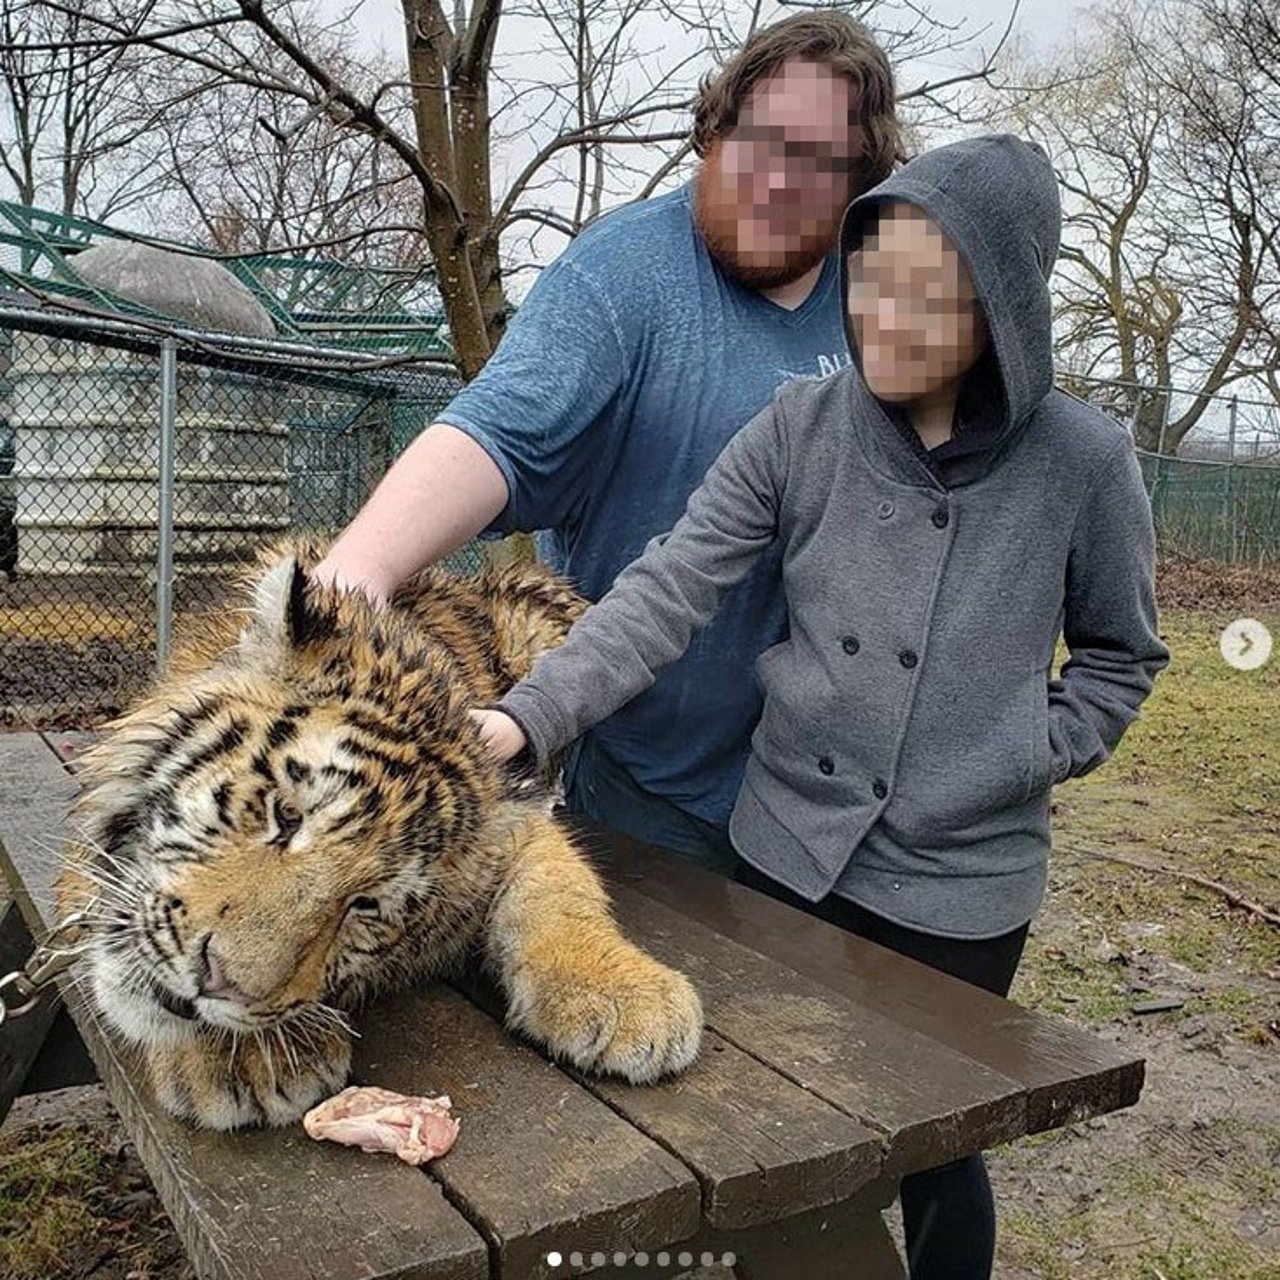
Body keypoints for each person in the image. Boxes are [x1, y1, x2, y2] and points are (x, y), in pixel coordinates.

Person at [469, 134, 1173, 1279]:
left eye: (928, 294)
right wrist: (523, 717)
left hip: (960, 881)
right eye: (872, 276)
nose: (884, 316)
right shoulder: (798, 430)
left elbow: (1119, 655)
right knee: (768, 1115)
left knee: (936, 1140)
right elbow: (663, 588)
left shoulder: (1082, 462)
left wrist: (1018, 751)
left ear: (999, 306)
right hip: (787, 845)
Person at [312, 10, 903, 873]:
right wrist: (351, 576)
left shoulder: (885, 297)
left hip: (827, 801)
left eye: (817, 159)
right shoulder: (626, 273)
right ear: (716, 128)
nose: (779, 178)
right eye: (761, 139)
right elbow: (497, 430)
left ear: (860, 173)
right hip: (646, 783)